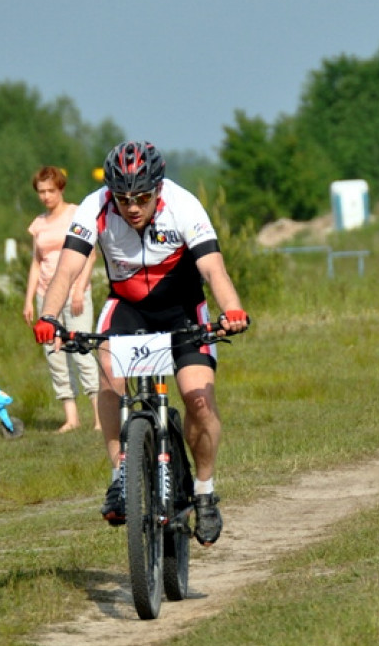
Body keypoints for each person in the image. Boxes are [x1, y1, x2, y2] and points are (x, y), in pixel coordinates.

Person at [33, 141, 249, 546]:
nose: (132, 207)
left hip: (182, 311)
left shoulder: (183, 205)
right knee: (109, 375)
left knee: (198, 399)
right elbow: (66, 268)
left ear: (158, 188)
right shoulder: (95, 206)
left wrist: (232, 310)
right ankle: (120, 476)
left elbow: (213, 270)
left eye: (142, 198)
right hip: (128, 308)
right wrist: (49, 316)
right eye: (123, 198)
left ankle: (204, 492)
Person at [24, 166, 101, 432]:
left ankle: (99, 417)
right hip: (46, 295)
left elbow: (90, 255)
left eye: (50, 191)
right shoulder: (38, 223)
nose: (46, 196)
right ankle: (71, 417)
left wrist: (80, 288)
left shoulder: (76, 214)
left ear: (61, 189)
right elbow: (36, 263)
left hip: (75, 292)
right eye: (41, 192)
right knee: (54, 354)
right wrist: (29, 299)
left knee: (81, 351)